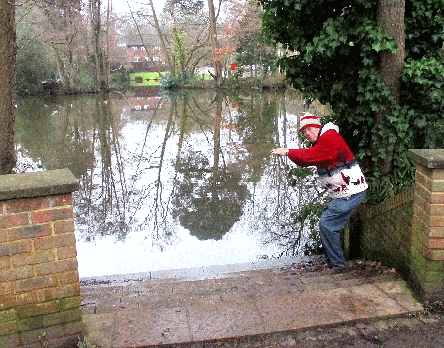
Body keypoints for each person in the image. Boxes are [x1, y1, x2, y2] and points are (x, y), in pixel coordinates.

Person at [271, 113, 368, 272]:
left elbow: (310, 157)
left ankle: (339, 266)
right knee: (326, 217)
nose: (308, 134)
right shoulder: (324, 139)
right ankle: (334, 261)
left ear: (318, 126)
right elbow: (307, 159)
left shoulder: (330, 137)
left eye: (310, 129)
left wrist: (288, 152)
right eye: (304, 132)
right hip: (342, 193)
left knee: (327, 225)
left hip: (351, 192)